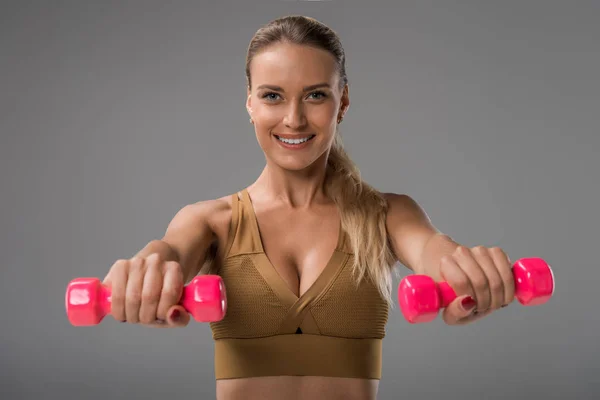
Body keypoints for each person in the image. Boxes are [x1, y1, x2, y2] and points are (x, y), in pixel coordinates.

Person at [102, 15, 516, 400]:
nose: (294, 118)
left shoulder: (387, 214)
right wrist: (145, 270)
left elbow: (433, 250)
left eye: (315, 95)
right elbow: (170, 252)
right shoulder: (211, 221)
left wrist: (467, 273)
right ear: (250, 103)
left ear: (344, 102)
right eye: (272, 96)